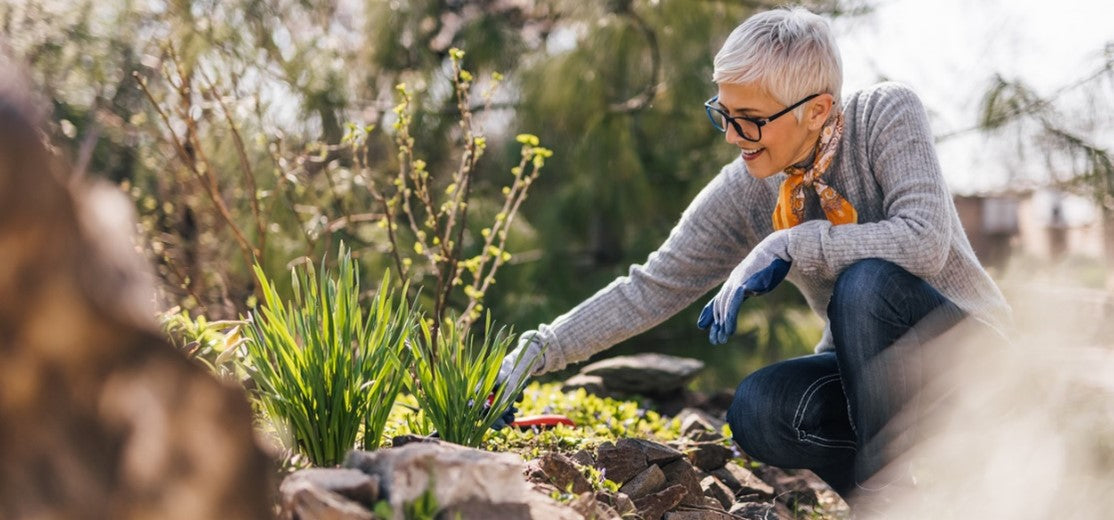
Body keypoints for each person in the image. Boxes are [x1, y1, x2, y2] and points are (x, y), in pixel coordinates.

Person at [496, 5, 1010, 502]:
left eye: (751, 119)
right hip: (871, 388)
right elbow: (652, 286)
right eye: (723, 113)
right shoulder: (749, 186)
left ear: (818, 111)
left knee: (866, 282)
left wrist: (792, 242)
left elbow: (922, 240)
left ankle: (889, 498)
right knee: (759, 409)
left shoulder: (885, 113)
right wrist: (537, 352)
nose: (733, 137)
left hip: (974, 364)